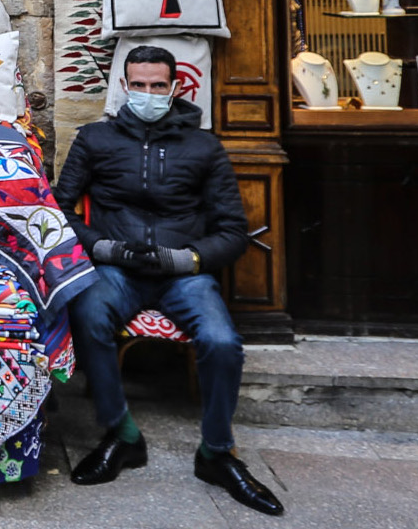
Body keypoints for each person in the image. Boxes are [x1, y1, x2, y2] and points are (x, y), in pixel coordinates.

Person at [53, 45, 284, 517]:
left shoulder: (204, 146)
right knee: (87, 313)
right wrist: (103, 248)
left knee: (222, 341)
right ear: (124, 86)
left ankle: (217, 453)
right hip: (117, 268)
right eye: (138, 85)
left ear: (177, 87)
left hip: (184, 274)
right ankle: (122, 435)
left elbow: (233, 232)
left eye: (158, 86)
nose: (148, 94)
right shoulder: (95, 139)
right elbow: (59, 210)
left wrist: (187, 259)